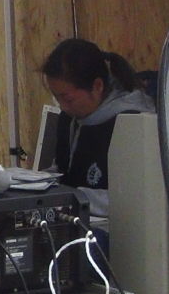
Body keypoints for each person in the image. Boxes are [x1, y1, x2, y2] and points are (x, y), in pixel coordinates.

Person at [40, 38, 156, 207]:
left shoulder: (132, 125)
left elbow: (131, 200)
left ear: (97, 86)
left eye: (68, 99)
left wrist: (66, 197)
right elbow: (63, 172)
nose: (62, 107)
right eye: (57, 98)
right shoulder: (69, 119)